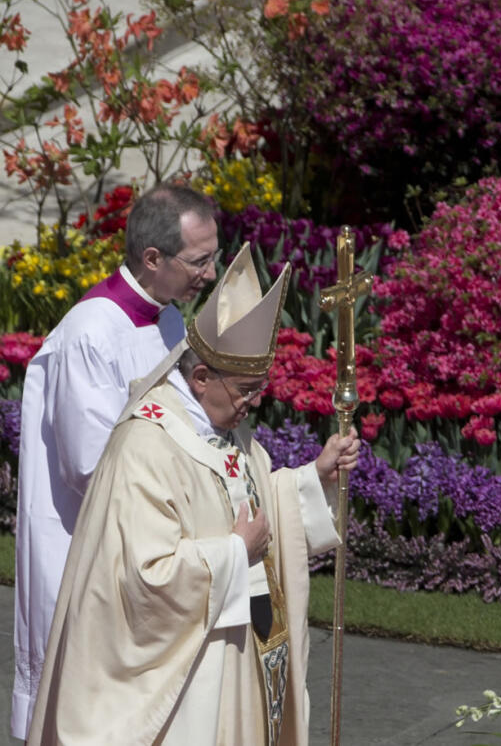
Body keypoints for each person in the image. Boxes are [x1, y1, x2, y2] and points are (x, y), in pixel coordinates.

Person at [28, 242, 359, 744]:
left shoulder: (224, 428)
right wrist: (233, 553)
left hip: (238, 653)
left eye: (259, 389)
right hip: (184, 681)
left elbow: (246, 498)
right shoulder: (145, 445)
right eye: (246, 389)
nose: (252, 403)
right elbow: (143, 577)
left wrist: (314, 477)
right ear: (201, 377)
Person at [11, 183, 221, 740]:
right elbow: (90, 465)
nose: (211, 274)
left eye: (214, 257)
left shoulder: (169, 319)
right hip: (94, 550)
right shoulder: (90, 333)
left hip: (149, 545)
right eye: (200, 261)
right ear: (153, 259)